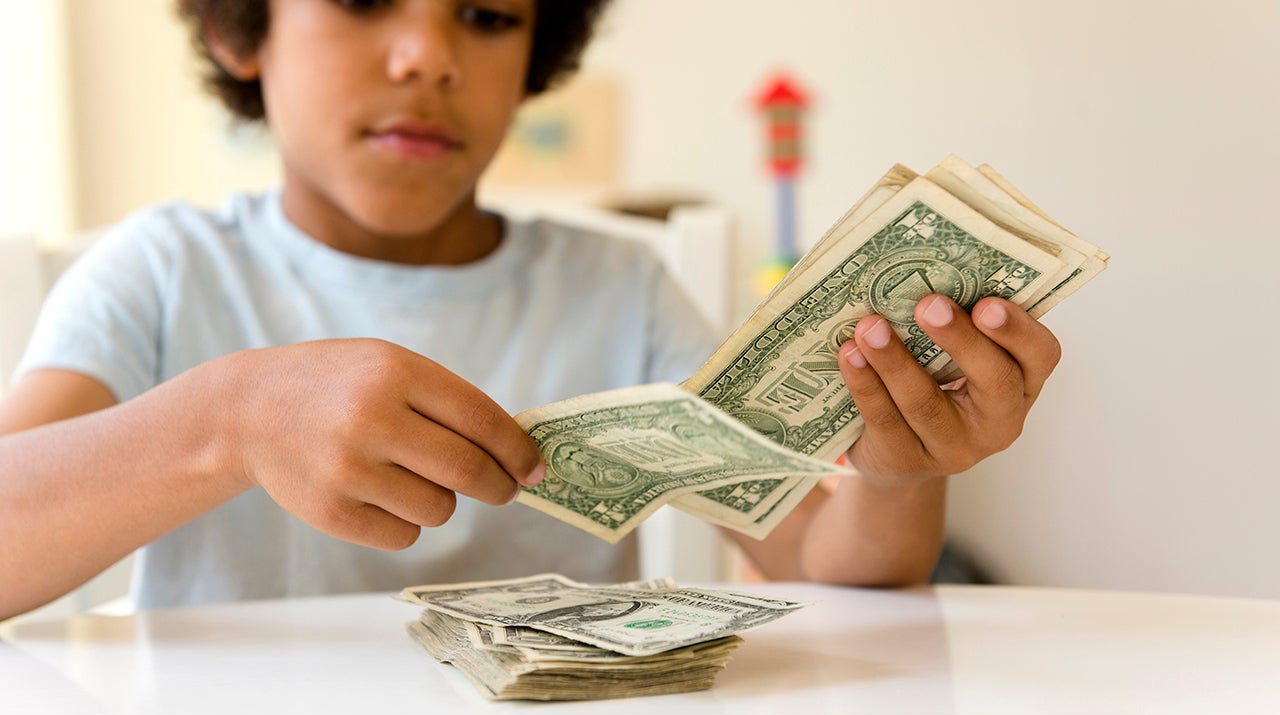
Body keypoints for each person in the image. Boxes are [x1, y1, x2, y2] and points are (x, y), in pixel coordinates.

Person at [0, 0, 1062, 621]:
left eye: (486, 15)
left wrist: (899, 468)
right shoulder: (160, 269)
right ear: (245, 33)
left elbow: (828, 564)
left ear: (537, 54)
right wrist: (221, 420)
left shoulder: (620, 288)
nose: (429, 56)